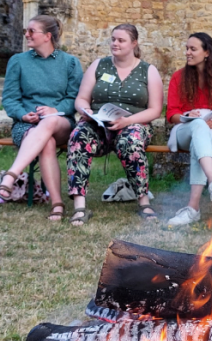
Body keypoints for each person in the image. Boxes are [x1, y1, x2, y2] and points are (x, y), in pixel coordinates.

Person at [66, 24, 164, 226]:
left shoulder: (148, 70)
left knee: (131, 142)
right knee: (78, 136)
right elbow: (81, 99)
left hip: (133, 123)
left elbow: (155, 110)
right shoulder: (99, 65)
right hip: (99, 124)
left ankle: (144, 202)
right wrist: (89, 113)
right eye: (113, 39)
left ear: (134, 43)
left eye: (121, 40)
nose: (115, 44)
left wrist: (127, 121)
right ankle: (79, 206)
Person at [0, 15, 83, 221]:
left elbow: (75, 98)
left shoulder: (70, 63)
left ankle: (11, 175)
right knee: (47, 143)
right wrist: (22, 115)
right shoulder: (18, 61)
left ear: (48, 36)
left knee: (50, 122)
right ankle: (57, 204)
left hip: (61, 122)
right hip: (25, 126)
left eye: (31, 31)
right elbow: (9, 99)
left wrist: (55, 110)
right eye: (27, 31)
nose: (26, 34)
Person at [164, 32, 212, 226]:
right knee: (197, 126)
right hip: (185, 129)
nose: (187, 52)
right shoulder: (178, 77)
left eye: (192, 49)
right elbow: (172, 113)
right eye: (186, 48)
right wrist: (188, 116)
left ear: (206, 53)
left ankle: (193, 209)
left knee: (199, 142)